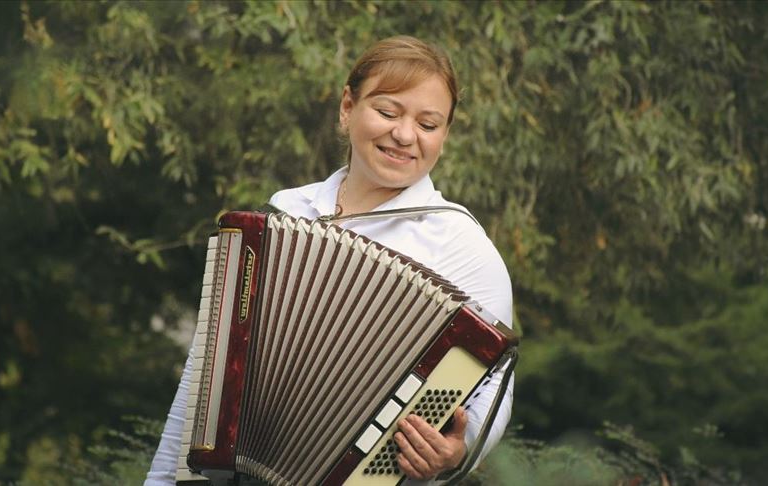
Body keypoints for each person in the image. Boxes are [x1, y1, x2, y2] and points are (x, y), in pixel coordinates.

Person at [146, 35, 513, 485]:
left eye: (428, 124)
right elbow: (209, 371)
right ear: (347, 107)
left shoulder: (464, 249)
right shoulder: (282, 214)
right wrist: (163, 479)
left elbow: (494, 391)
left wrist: (456, 451)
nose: (404, 135)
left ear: (444, 135)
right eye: (387, 112)